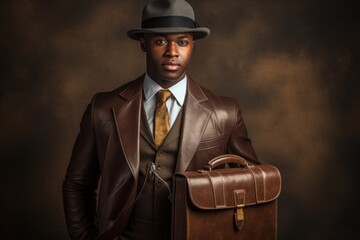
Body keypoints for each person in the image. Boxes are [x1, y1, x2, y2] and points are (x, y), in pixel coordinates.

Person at [62, 0, 260, 239]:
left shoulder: (225, 112)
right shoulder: (103, 108)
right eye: (160, 41)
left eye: (183, 42)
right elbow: (77, 184)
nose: (172, 52)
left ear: (193, 45)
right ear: (143, 43)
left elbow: (252, 188)